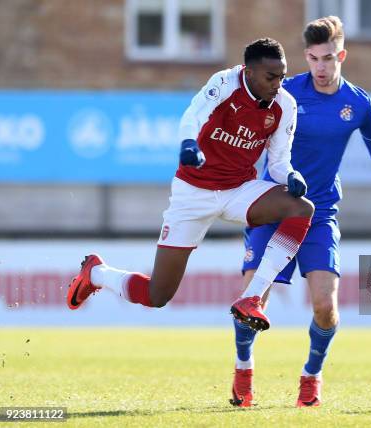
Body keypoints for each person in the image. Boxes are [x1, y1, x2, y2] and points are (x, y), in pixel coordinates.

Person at [230, 17, 371, 408]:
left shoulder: (359, 103)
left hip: (319, 212)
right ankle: (243, 369)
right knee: (251, 301)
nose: (320, 66)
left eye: (328, 58)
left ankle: (311, 377)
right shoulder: (285, 92)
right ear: (306, 57)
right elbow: (251, 128)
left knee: (326, 307)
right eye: (313, 58)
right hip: (274, 205)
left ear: (341, 56)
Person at [66, 38, 314, 333]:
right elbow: (193, 115)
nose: (277, 84)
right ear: (248, 72)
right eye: (270, 77)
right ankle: (96, 273)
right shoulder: (225, 83)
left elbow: (278, 162)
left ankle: (252, 297)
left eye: (282, 77)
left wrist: (291, 176)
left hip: (238, 190)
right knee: (157, 295)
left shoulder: (285, 105)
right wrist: (188, 144)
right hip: (193, 194)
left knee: (300, 208)